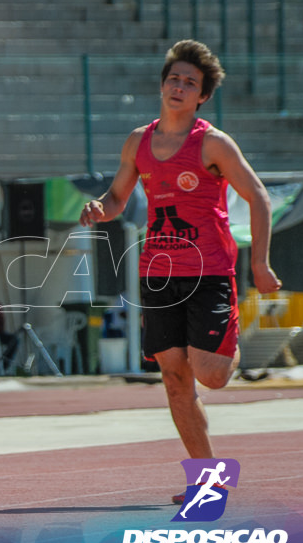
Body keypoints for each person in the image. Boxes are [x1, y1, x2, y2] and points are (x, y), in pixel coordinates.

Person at [79, 39, 281, 504]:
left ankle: (223, 335)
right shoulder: (139, 141)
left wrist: (259, 261)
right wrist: (99, 208)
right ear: (163, 84)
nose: (179, 87)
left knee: (209, 375)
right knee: (174, 378)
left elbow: (259, 197)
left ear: (202, 96)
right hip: (159, 273)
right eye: (174, 78)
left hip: (210, 272)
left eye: (190, 82)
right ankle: (208, 480)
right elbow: (116, 199)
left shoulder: (212, 143)